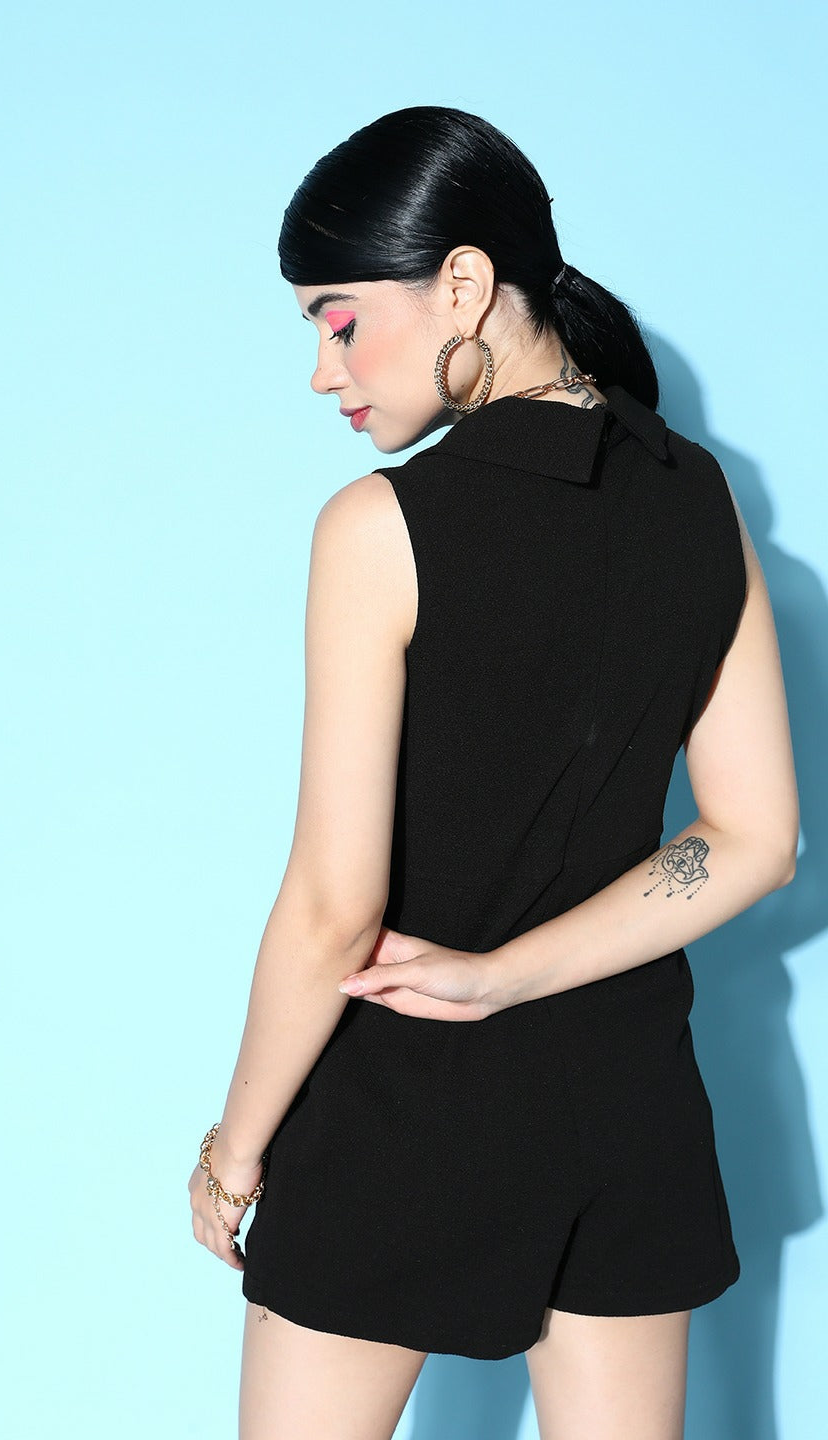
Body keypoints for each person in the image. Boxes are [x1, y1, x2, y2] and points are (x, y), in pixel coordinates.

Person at [187, 106, 799, 1440]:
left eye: (338, 319)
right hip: (627, 1109)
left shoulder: (382, 529)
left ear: (462, 283)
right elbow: (756, 838)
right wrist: (507, 974)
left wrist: (234, 1155)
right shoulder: (697, 499)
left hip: (402, 1114)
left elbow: (332, 910)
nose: (322, 372)